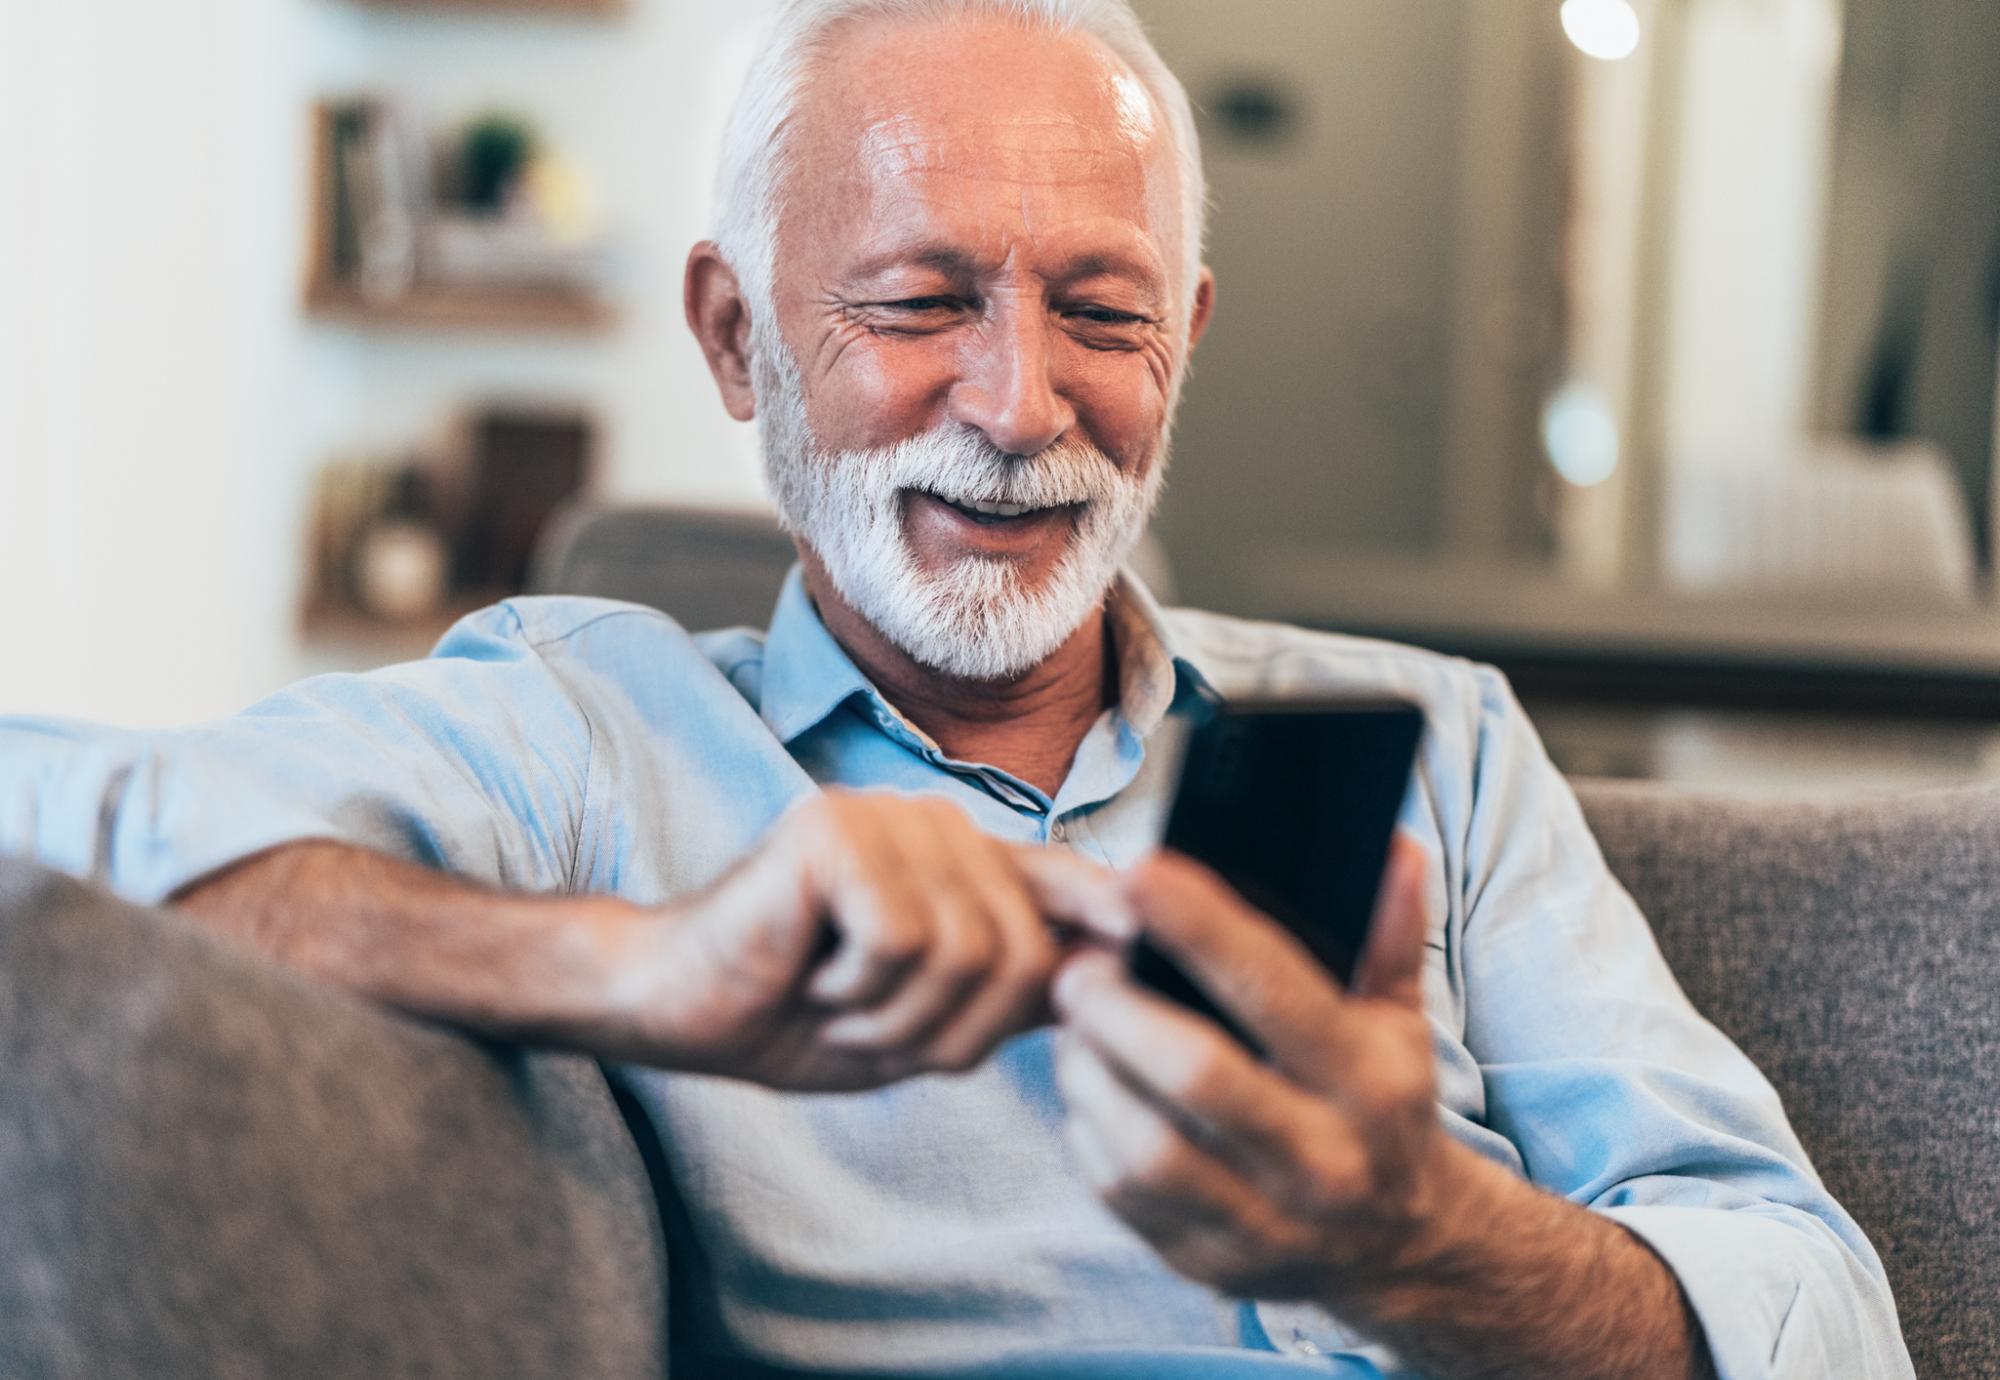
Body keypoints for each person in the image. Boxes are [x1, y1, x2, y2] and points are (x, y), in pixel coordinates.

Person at [0, 2, 1912, 1377]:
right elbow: (50, 815)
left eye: (1102, 311)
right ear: (738, 336)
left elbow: (1819, 1317)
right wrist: (638, 971)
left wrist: (1421, 1237)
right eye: (920, 305)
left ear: (1192, 338)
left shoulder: (1448, 748)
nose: (1022, 405)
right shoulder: (589, 738)